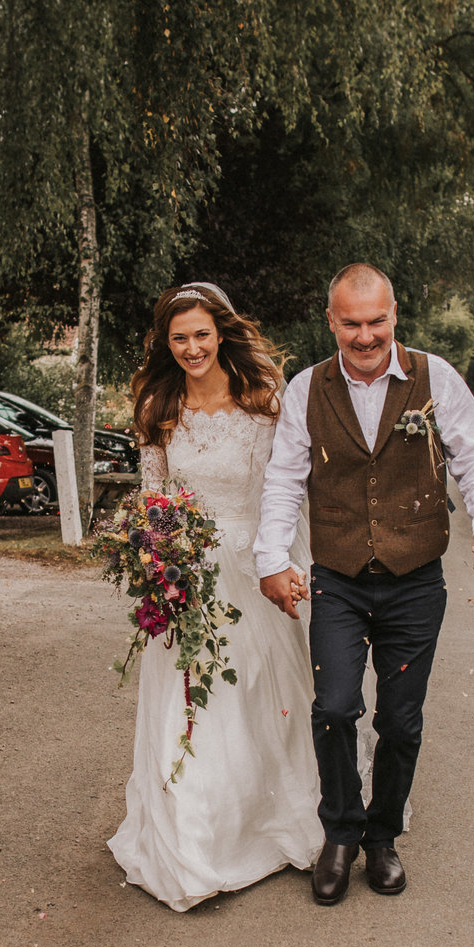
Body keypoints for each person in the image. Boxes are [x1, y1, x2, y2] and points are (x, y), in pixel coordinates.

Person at [254, 263, 474, 904]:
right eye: (352, 324)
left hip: (415, 580)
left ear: (394, 315)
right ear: (331, 321)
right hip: (337, 578)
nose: (366, 337)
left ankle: (383, 837)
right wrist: (271, 558)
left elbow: (473, 451)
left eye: (377, 322)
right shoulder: (306, 389)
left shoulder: (435, 376)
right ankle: (339, 833)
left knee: (400, 720)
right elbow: (285, 479)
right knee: (335, 707)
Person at [111, 283, 323, 910]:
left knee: (259, 692)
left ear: (222, 333)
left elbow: (287, 490)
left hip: (253, 566)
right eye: (179, 338)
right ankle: (196, 840)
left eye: (202, 334)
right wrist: (153, 556)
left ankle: (268, 820)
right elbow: (152, 496)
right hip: (184, 572)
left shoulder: (263, 402)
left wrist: (282, 561)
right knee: (189, 701)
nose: (192, 347)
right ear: (166, 342)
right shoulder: (159, 404)